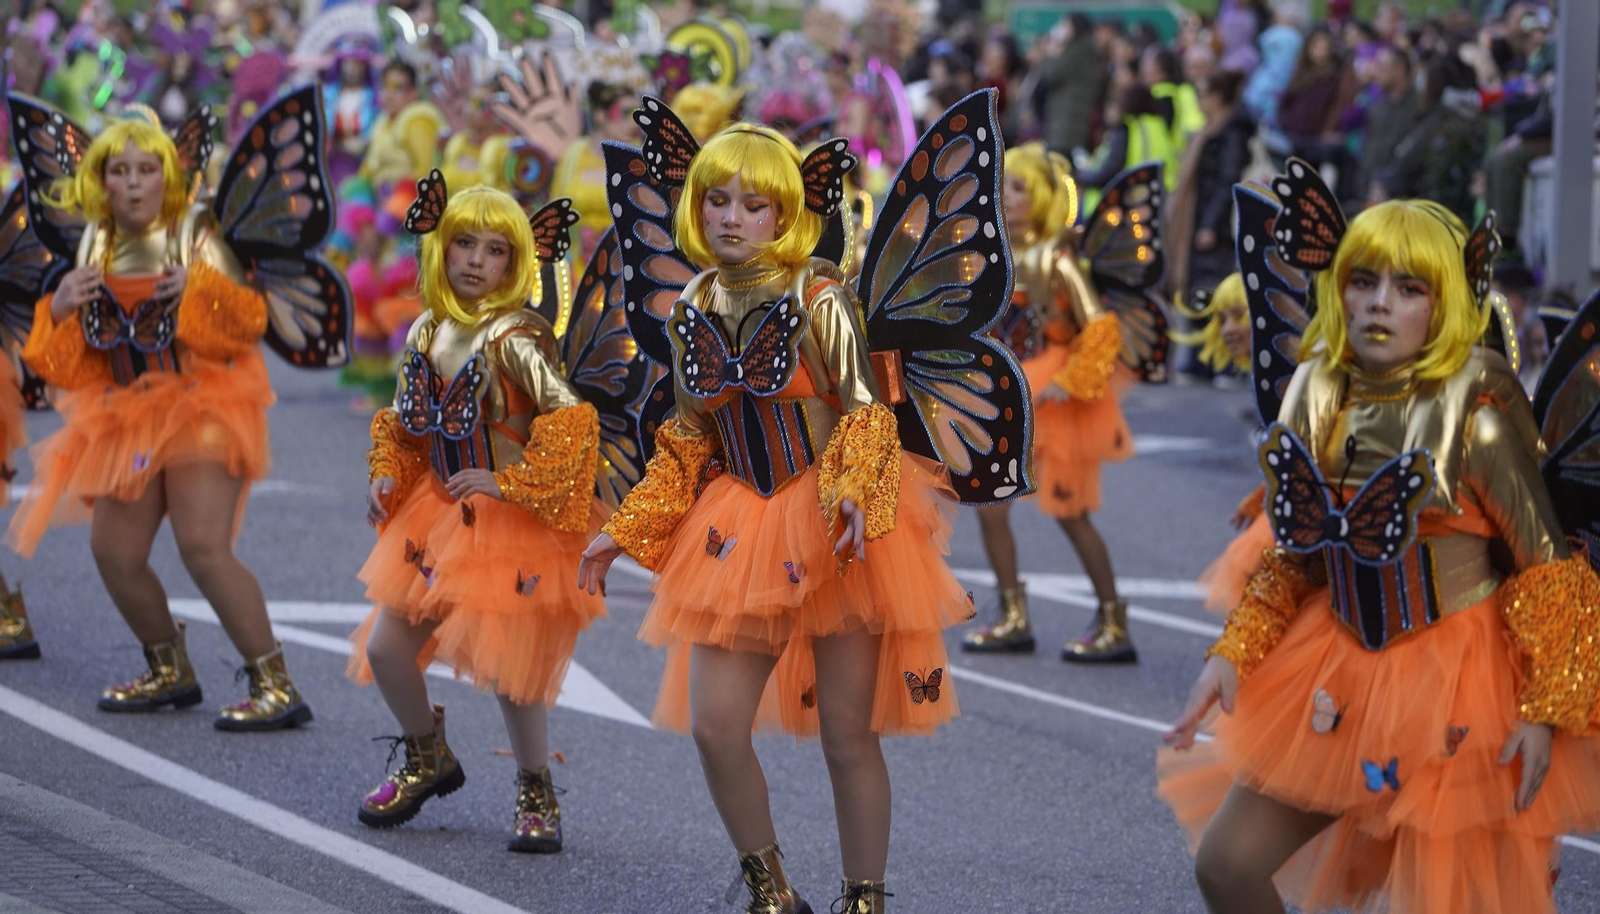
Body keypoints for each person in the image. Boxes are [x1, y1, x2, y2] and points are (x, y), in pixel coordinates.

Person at [579, 94, 1018, 912]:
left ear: (785, 213)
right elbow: (686, 438)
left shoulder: (820, 298)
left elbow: (863, 410)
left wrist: (854, 495)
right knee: (714, 725)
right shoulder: (692, 309)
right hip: (737, 523)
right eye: (717, 199)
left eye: (755, 204)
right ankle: (771, 890)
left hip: (837, 526)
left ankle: (864, 898)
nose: (732, 218)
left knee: (847, 736)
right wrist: (624, 531)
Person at [1160, 192, 1600, 913]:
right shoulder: (1322, 401)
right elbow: (1296, 554)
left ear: (1445, 301)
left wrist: (1545, 711)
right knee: (1228, 866)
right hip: (1335, 665)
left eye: (1408, 288)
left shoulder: (1478, 429)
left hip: (1462, 684)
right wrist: (1229, 654)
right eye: (1362, 282)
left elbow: (1547, 569)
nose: (1378, 305)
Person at [7, 106, 310, 728]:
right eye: (121, 170)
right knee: (113, 550)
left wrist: (197, 292)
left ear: (169, 175)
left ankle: (274, 682)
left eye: (149, 168)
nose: (136, 182)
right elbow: (69, 367)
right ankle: (169, 667)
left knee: (202, 548)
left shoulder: (194, 229)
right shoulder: (96, 239)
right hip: (125, 414)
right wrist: (60, 307)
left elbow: (248, 323)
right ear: (100, 178)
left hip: (203, 402)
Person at [349, 181, 606, 852]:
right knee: (384, 651)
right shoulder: (427, 329)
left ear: (515, 263)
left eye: (495, 251)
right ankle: (427, 754)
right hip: (434, 514)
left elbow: (573, 420)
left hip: (506, 522)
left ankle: (534, 788)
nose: (474, 261)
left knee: (511, 671)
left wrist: (509, 481)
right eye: (464, 243)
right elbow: (407, 427)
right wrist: (387, 472)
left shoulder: (516, 337)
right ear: (441, 248)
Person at [962, 143, 1136, 662]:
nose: (1007, 195)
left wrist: (1076, 378)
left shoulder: (1056, 257)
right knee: (991, 507)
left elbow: (1101, 327)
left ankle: (1113, 619)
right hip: (1003, 389)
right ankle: (1013, 614)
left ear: (1038, 197)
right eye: (1004, 185)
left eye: (1019, 187)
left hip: (1053, 397)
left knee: (1070, 514)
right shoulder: (987, 250)